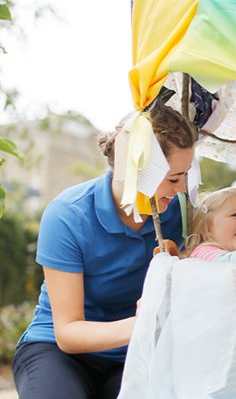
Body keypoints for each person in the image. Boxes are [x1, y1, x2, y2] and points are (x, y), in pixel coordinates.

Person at [12, 98, 196, 399]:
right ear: (138, 171)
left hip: (132, 356)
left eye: (186, 175)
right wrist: (146, 322)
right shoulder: (68, 215)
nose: (182, 188)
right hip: (58, 352)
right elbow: (68, 333)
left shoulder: (175, 213)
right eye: (174, 178)